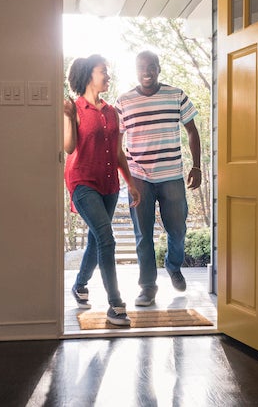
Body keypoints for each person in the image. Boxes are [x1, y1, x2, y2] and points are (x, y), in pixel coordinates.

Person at [115, 50, 202, 307]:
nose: (147, 71)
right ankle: (147, 287)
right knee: (143, 235)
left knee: (178, 229)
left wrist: (196, 166)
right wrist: (125, 178)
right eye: (142, 67)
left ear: (159, 68)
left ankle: (173, 266)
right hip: (139, 177)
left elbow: (192, 131)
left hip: (172, 176)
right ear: (135, 70)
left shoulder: (176, 95)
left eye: (151, 66)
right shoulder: (124, 101)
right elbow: (116, 145)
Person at [64, 54, 140, 326]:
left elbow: (118, 153)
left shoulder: (111, 112)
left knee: (97, 239)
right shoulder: (73, 107)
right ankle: (115, 304)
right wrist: (68, 117)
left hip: (109, 183)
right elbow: (70, 147)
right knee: (107, 239)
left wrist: (130, 184)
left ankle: (80, 284)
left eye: (107, 72)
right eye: (102, 72)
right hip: (82, 181)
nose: (107, 76)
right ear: (88, 76)